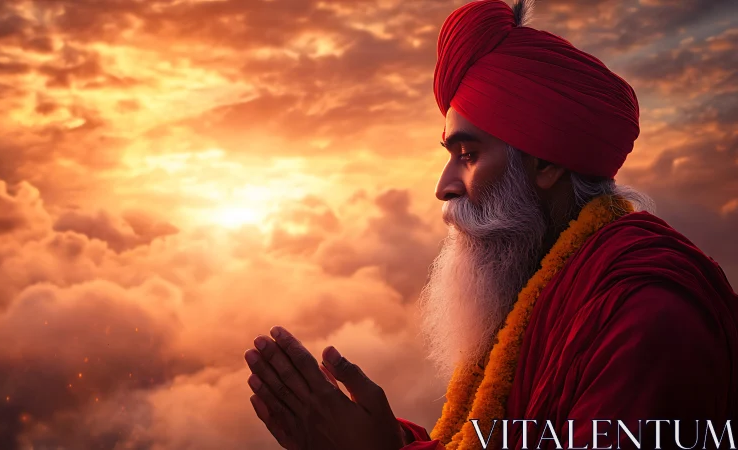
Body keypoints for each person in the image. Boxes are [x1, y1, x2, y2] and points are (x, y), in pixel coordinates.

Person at [243, 1, 738, 449]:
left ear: (545, 163)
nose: (444, 185)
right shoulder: (535, 288)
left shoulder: (650, 316)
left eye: (469, 154)